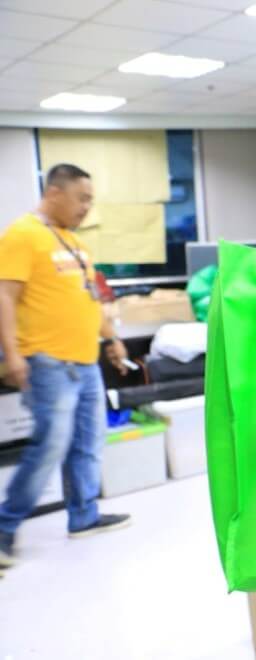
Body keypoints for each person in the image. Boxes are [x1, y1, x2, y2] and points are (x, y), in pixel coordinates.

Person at [0, 164, 132, 569]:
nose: (87, 207)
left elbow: (89, 298)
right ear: (55, 193)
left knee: (88, 442)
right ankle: (4, 526)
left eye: (91, 199)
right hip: (48, 362)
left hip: (86, 360)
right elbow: (5, 296)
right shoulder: (22, 235)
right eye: (82, 198)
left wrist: (111, 338)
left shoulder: (75, 244)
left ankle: (84, 516)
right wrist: (12, 354)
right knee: (51, 445)